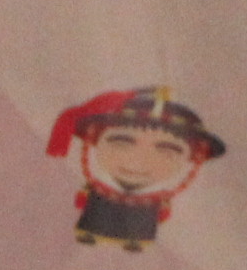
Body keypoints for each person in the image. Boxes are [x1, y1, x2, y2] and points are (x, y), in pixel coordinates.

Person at [45, 86, 227, 251]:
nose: (139, 160)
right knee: (96, 217)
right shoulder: (97, 186)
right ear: (95, 138)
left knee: (139, 226)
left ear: (193, 155)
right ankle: (90, 233)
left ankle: (135, 241)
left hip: (144, 216)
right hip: (100, 206)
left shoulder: (156, 197)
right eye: (122, 143)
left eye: (166, 151)